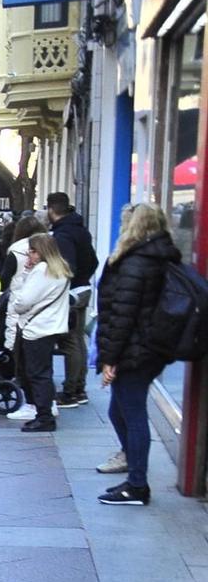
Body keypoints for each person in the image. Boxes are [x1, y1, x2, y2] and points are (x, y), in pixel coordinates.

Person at [92, 203, 184, 506]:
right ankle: (133, 474)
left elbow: (122, 316)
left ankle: (137, 484)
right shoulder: (160, 256)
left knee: (131, 415)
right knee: (120, 412)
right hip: (149, 349)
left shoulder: (134, 263)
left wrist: (110, 359)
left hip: (134, 351)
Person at [4, 231, 72, 433]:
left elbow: (23, 301)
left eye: (32, 251)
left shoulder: (42, 271)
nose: (30, 256)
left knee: (36, 373)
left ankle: (44, 416)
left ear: (41, 252)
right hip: (50, 327)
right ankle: (43, 412)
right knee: (42, 372)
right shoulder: (60, 270)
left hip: (36, 329)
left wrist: (25, 274)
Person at [44, 193, 99, 407]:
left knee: (69, 341)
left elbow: (67, 267)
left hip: (70, 293)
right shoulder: (80, 230)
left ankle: (71, 391)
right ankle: (79, 388)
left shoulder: (63, 235)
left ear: (51, 209)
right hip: (82, 289)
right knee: (77, 340)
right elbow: (92, 261)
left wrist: (62, 288)